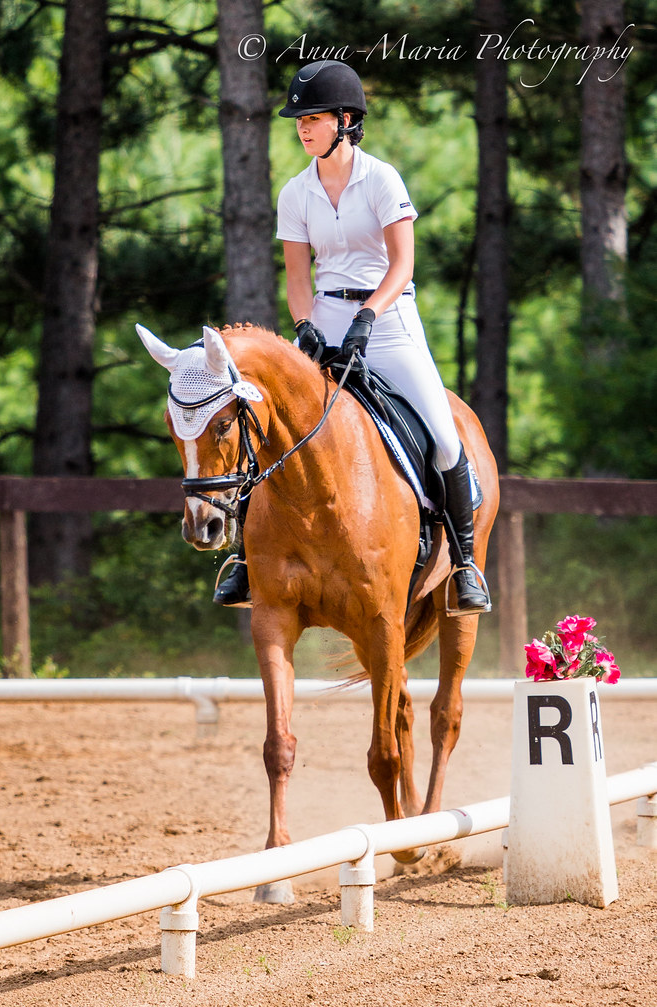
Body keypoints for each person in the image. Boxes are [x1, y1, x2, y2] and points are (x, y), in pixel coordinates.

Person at [214, 60, 489, 614]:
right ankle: (245, 558)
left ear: (345, 119)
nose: (302, 128)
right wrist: (304, 327)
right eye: (298, 120)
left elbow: (403, 265)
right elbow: (296, 278)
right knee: (264, 423)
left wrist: (367, 316)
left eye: (312, 118)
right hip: (323, 317)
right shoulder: (295, 193)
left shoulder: (382, 179)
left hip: (387, 318)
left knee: (443, 433)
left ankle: (463, 565)